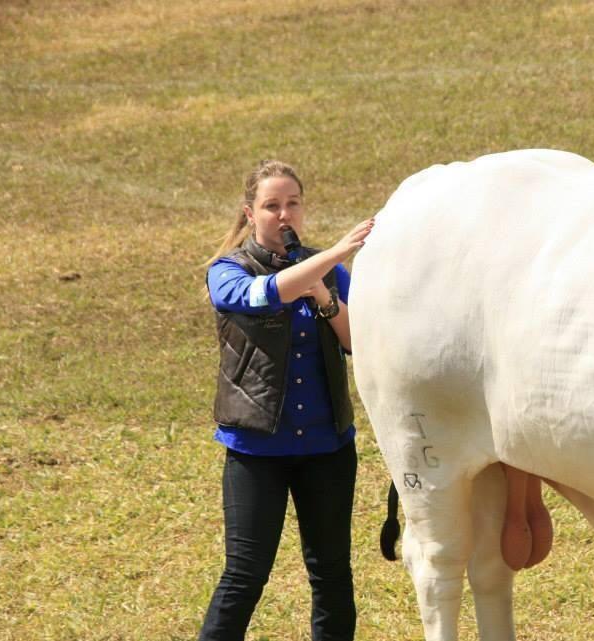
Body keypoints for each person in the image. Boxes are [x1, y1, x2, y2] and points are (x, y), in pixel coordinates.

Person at [199, 159, 374, 641]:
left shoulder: (330, 273)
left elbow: (357, 341)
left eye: (292, 204)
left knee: (333, 576)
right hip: (258, 451)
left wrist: (325, 295)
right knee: (244, 576)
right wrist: (334, 255)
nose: (284, 215)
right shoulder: (226, 271)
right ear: (250, 214)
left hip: (327, 448)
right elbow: (263, 296)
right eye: (271, 205)